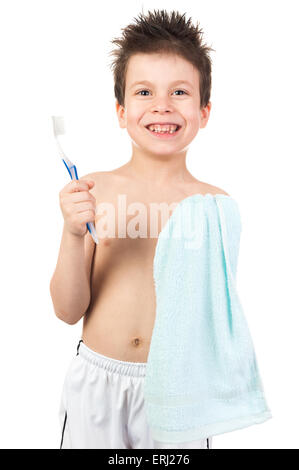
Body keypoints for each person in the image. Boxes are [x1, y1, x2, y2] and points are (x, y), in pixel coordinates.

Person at [50, 9, 258, 449]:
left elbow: (218, 321)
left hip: (178, 394)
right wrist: (72, 234)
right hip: (98, 385)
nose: (162, 105)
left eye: (180, 92)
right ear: (121, 110)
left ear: (204, 111)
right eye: (144, 92)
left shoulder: (215, 208)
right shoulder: (96, 191)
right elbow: (68, 311)